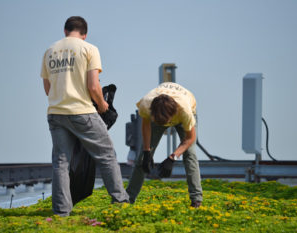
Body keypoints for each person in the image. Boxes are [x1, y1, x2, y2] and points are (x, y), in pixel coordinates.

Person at [40, 16, 129, 216]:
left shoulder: (49, 51)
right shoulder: (89, 49)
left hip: (56, 113)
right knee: (107, 155)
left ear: (65, 31)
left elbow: (48, 88)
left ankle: (61, 211)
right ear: (84, 34)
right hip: (82, 111)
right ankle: (121, 201)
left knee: (61, 162)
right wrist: (103, 105)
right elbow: (93, 86)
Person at [126, 82, 203, 207]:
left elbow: (190, 138)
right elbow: (145, 126)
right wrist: (146, 152)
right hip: (159, 112)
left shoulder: (185, 112)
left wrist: (172, 158)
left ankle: (196, 199)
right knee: (141, 158)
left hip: (184, 109)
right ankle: (128, 199)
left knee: (190, 154)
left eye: (165, 122)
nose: (164, 126)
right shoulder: (146, 105)